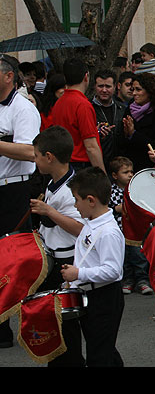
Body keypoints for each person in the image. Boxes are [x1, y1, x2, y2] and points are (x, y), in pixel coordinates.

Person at [29, 126, 86, 366]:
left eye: (36, 156)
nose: (35, 160)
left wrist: (49, 212)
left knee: (67, 324)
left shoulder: (73, 188)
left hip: (67, 263)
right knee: (54, 322)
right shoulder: (53, 182)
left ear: (49, 157)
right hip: (52, 259)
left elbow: (81, 229)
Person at [62, 167, 126, 367]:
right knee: (102, 348)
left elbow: (113, 270)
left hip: (105, 297)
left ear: (91, 200)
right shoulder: (91, 222)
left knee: (99, 355)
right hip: (90, 294)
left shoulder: (108, 232)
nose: (75, 205)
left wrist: (78, 273)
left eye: (76, 200)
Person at [0, 54, 41, 349]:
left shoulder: (23, 108)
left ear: (8, 76)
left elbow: (30, 152)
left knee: (13, 261)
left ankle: (31, 327)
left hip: (13, 191)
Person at [50, 58, 105, 173]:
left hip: (63, 164)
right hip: (81, 166)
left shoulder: (59, 103)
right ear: (86, 76)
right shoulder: (83, 105)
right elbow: (90, 146)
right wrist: (102, 174)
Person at [107, 156, 151, 295]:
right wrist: (116, 209)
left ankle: (142, 281)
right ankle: (127, 281)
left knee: (139, 256)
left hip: (136, 230)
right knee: (124, 257)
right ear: (115, 175)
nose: (130, 174)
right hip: (120, 230)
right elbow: (110, 208)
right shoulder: (111, 192)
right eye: (125, 172)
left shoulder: (136, 189)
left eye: (131, 171)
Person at [119, 72, 155, 173]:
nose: (134, 93)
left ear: (149, 91)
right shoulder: (130, 107)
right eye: (133, 89)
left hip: (149, 166)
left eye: (138, 90)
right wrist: (126, 134)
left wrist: (134, 134)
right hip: (129, 165)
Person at [92, 69, 126, 170]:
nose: (104, 90)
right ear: (94, 86)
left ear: (115, 87)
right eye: (100, 86)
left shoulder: (122, 109)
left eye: (108, 86)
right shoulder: (88, 108)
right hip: (97, 164)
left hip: (119, 165)